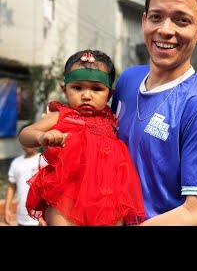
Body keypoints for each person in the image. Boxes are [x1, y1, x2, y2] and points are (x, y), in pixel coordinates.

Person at [111, 0, 197, 226]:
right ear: (145, 20)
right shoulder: (128, 80)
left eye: (181, 20)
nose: (165, 30)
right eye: (156, 17)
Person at [20, 50, 146, 226]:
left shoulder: (112, 121)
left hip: (107, 197)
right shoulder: (61, 115)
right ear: (65, 90)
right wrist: (42, 136)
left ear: (110, 94)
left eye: (96, 89)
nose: (86, 96)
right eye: (77, 88)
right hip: (67, 196)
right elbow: (25, 134)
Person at [4, 124, 41, 226]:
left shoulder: (43, 159)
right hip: (22, 217)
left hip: (40, 218)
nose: (27, 143)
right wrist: (7, 209)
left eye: (30, 139)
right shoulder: (16, 162)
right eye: (25, 139)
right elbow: (11, 187)